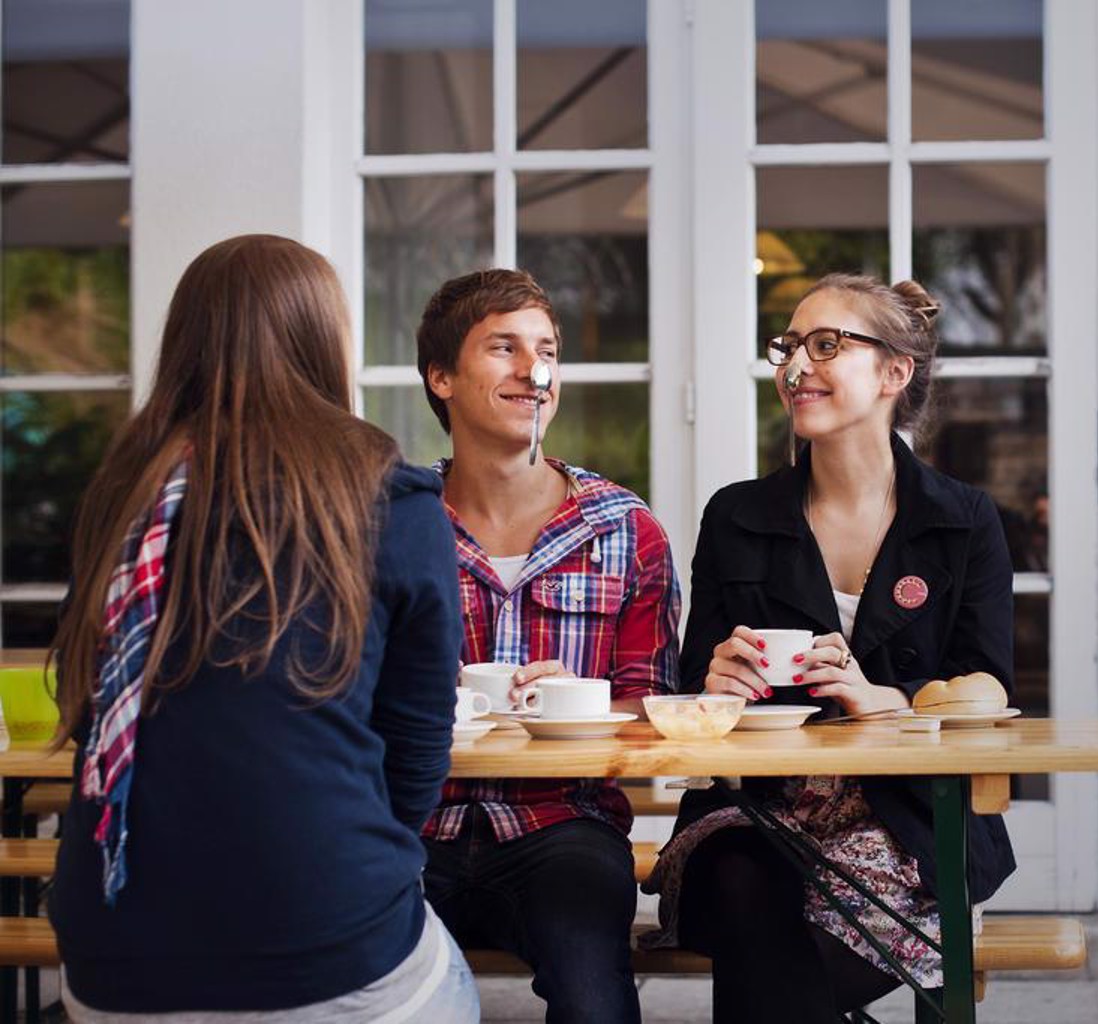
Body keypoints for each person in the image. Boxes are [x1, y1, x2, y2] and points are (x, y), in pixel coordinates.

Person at [48, 235, 476, 1021]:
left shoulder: (119, 499)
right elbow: (417, 750)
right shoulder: (391, 498)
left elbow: (86, 711)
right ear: (324, 341)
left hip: (110, 949)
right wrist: (330, 864)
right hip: (328, 939)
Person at [642, 273, 1017, 1022]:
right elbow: (688, 693)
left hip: (905, 825)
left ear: (893, 372)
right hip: (752, 812)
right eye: (788, 347)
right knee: (743, 884)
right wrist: (713, 685)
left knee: (767, 965)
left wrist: (886, 701)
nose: (794, 367)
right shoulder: (736, 515)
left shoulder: (962, 520)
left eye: (825, 345)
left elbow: (987, 689)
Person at [414, 268, 680, 1023]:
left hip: (563, 828)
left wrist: (579, 703)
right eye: (504, 348)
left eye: (548, 351)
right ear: (441, 377)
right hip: (408, 826)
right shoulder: (388, 522)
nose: (535, 370)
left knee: (595, 997)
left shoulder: (625, 529)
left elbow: (654, 709)